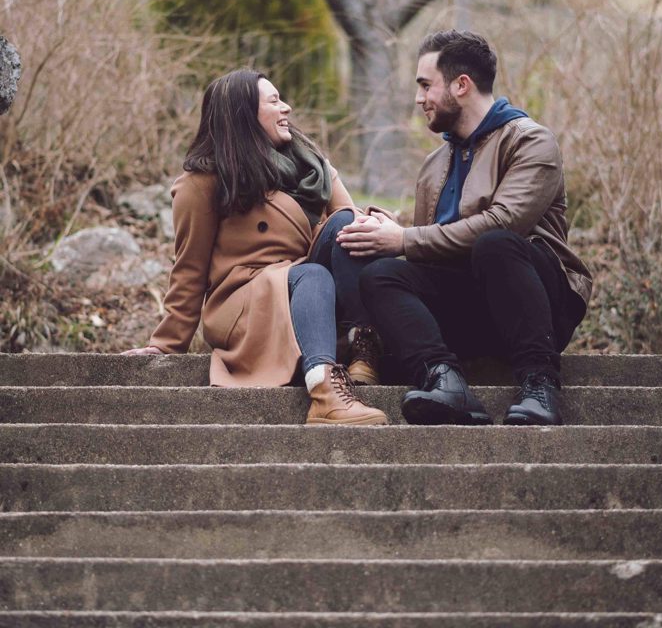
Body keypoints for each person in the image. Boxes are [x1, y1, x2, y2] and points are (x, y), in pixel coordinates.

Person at [337, 30, 592, 426]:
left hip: (536, 303)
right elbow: (429, 252)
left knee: (495, 245)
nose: (419, 98)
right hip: (471, 311)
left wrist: (403, 239)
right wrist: (393, 230)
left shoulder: (531, 141)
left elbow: (505, 221)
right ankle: (444, 379)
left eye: (426, 85)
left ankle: (540, 384)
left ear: (461, 85)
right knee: (382, 275)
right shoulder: (435, 164)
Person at [124, 69, 387, 426]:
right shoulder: (202, 182)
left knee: (346, 223)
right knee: (311, 275)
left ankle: (364, 347)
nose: (287, 108)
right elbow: (189, 269)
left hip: (308, 289)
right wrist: (167, 344)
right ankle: (325, 393)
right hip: (248, 300)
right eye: (274, 101)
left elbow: (353, 225)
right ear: (244, 113)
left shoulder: (311, 166)